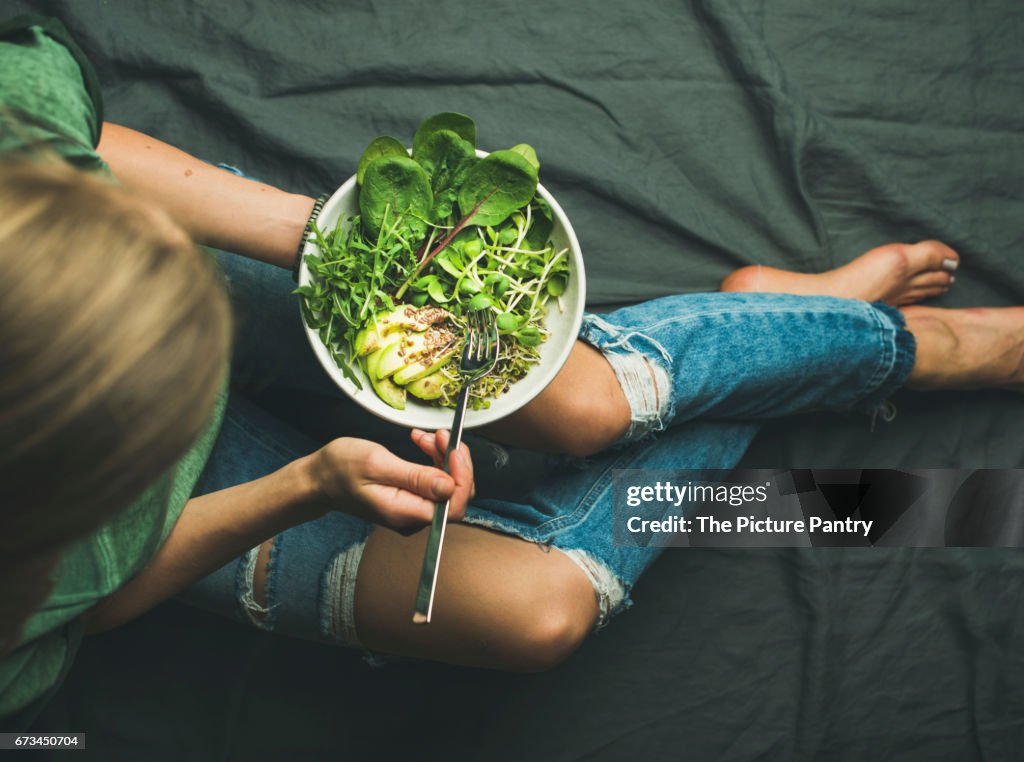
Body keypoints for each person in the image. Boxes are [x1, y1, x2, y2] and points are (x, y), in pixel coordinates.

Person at [4, 15, 1024, 723]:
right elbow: (97, 600)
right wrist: (300, 487)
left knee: (580, 408)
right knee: (538, 615)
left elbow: (66, 141)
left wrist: (343, 249)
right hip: (150, 490)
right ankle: (773, 327)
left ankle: (931, 350)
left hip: (150, 258)